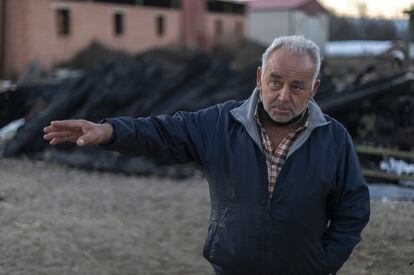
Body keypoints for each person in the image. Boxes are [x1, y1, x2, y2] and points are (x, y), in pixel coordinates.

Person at [43, 35, 370, 275]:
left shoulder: (334, 139)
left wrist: (322, 264)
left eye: (297, 86)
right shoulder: (221, 123)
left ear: (314, 89)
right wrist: (110, 132)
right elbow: (162, 133)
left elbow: (353, 210)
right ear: (260, 78)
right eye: (275, 81)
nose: (284, 96)